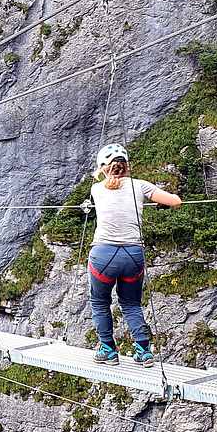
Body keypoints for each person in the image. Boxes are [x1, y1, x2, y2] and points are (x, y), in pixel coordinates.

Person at [87, 143, 181, 367]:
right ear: (128, 166)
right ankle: (143, 351)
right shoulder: (141, 186)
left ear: (103, 168)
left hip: (103, 255)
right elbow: (175, 201)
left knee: (100, 302)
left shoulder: (96, 189)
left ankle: (108, 350)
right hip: (133, 255)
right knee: (131, 304)